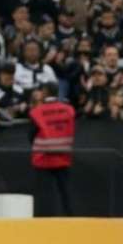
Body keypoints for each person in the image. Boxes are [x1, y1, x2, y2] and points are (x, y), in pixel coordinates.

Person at [29, 83, 76, 216]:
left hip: (43, 158)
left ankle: (44, 220)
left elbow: (31, 134)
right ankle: (71, 219)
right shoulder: (69, 110)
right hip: (63, 156)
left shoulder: (36, 112)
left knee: (44, 193)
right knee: (66, 192)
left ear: (45, 92)